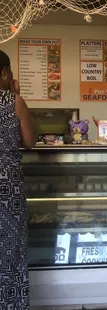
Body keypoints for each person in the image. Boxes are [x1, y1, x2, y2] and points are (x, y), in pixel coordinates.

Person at [0, 50, 37, 309]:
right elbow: (30, 141)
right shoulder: (13, 101)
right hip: (7, 190)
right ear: (4, 73)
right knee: (9, 252)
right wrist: (16, 93)